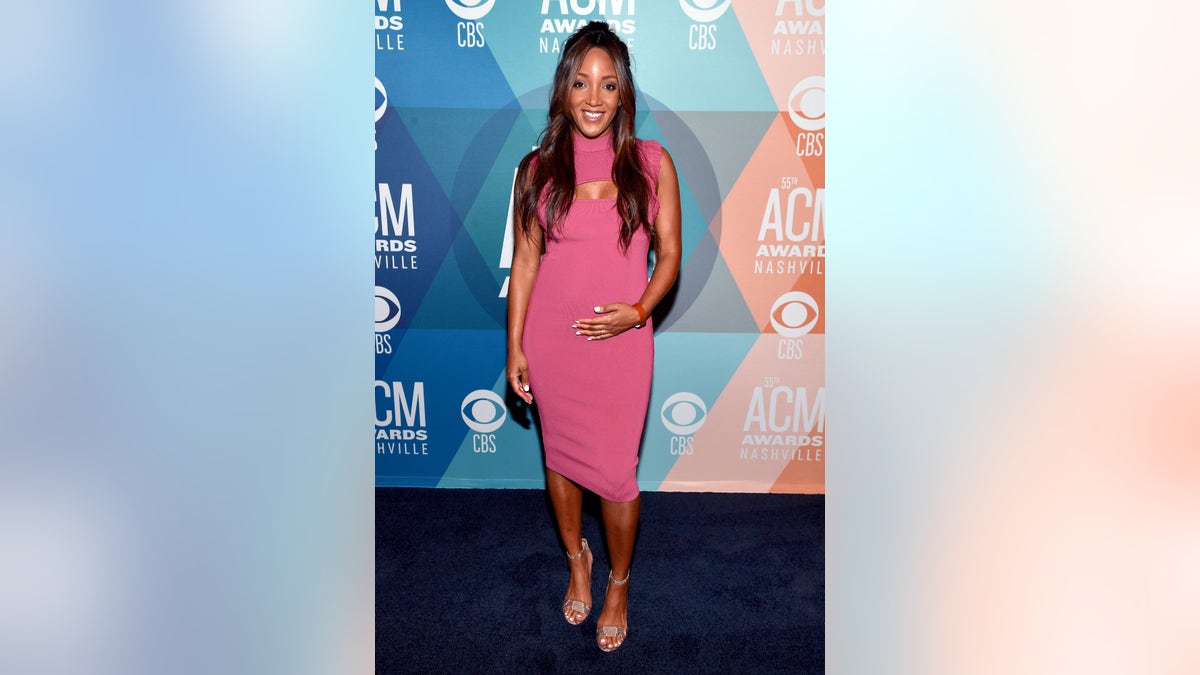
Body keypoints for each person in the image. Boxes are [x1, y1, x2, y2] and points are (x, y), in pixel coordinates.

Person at [505, 21, 681, 653]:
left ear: (623, 92)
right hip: (552, 343)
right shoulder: (536, 170)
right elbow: (525, 264)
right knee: (560, 460)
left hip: (622, 346)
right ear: (565, 89)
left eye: (608, 85)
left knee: (616, 474)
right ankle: (578, 559)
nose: (594, 97)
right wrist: (515, 347)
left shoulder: (653, 164)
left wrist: (635, 313)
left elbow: (670, 259)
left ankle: (620, 581)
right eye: (581, 82)